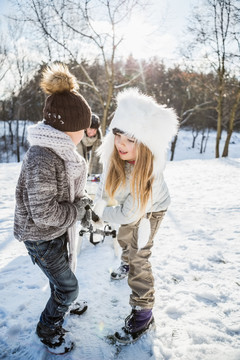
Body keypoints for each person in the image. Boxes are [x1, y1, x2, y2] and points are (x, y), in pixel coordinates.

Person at [14, 63, 93, 353]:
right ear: (67, 127)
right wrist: (77, 211)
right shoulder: (42, 158)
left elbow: (67, 194)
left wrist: (81, 204)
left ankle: (63, 303)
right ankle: (48, 329)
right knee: (68, 286)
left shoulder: (59, 151)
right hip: (40, 236)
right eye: (82, 128)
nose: (85, 133)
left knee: (62, 282)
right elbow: (44, 214)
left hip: (56, 231)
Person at [93, 88, 178, 344]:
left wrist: (101, 216)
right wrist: (99, 205)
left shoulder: (147, 172)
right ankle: (126, 259)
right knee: (124, 239)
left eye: (129, 139)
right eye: (117, 135)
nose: (120, 143)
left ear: (144, 141)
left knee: (139, 254)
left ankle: (144, 312)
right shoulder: (115, 155)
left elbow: (128, 212)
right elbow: (104, 189)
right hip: (133, 207)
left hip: (151, 210)